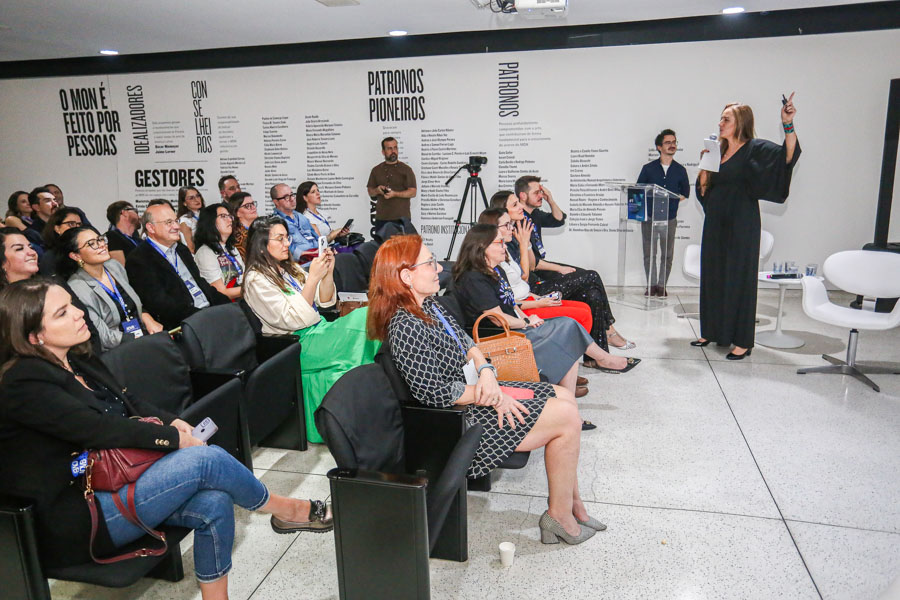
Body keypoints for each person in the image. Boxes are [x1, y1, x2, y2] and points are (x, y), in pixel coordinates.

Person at [0, 279, 333, 600]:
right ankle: (287, 509)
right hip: (80, 513)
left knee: (215, 502)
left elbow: (128, 400)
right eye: (62, 313)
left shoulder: (76, 357)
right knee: (205, 459)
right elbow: (96, 429)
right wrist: (174, 438)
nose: (78, 313)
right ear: (34, 336)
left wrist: (171, 421)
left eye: (72, 304)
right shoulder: (22, 382)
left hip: (119, 480)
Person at [367, 234, 603, 545]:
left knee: (566, 397)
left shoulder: (429, 305)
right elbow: (434, 393)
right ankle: (560, 515)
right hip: (458, 420)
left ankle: (574, 505)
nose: (438, 268)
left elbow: (466, 341)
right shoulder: (405, 325)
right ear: (406, 277)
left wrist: (487, 371)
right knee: (567, 418)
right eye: (429, 263)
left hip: (474, 394)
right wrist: (490, 395)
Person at [242, 216, 380, 443]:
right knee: (366, 317)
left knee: (370, 317)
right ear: (262, 244)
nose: (287, 243)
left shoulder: (288, 268)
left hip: (318, 330)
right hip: (297, 344)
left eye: (287, 237)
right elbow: (293, 319)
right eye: (280, 239)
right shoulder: (255, 280)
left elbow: (324, 302)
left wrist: (327, 274)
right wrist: (313, 278)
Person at [693, 97, 801, 359]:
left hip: (742, 224)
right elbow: (704, 189)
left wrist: (787, 124)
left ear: (740, 122)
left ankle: (742, 340)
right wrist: (705, 167)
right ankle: (712, 330)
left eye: (726, 119)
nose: (720, 123)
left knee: (738, 279)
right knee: (713, 275)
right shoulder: (718, 151)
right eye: (721, 118)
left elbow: (787, 155)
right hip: (715, 223)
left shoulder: (755, 148)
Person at [491, 190, 635, 358]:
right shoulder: (500, 242)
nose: (520, 206)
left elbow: (532, 264)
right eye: (515, 204)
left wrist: (527, 243)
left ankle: (596, 357)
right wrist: (524, 245)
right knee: (591, 276)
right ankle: (608, 329)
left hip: (531, 288)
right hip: (531, 292)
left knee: (593, 294)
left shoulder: (517, 230)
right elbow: (525, 275)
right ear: (502, 213)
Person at [477, 208, 593, 335]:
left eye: (511, 223)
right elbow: (522, 283)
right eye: (507, 225)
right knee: (584, 311)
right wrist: (535, 307)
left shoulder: (505, 252)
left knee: (586, 307)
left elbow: (519, 285)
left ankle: (594, 343)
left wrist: (540, 299)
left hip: (529, 299)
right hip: (525, 306)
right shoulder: (490, 264)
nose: (512, 227)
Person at [125, 203, 229, 330]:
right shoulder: (139, 259)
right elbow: (161, 306)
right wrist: (207, 317)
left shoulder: (181, 249)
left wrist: (228, 306)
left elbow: (201, 284)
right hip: (185, 325)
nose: (177, 226)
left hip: (207, 314)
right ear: (151, 228)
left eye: (176, 221)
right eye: (169, 222)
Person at [60, 226, 164, 351]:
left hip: (142, 335)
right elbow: (103, 336)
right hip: (117, 350)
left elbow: (132, 304)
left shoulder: (114, 266)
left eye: (100, 239)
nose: (101, 245)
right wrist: (140, 339)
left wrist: (147, 318)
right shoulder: (77, 288)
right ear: (76, 256)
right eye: (91, 243)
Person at [636, 129, 691, 297]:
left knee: (667, 255)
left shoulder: (680, 170)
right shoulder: (648, 169)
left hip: (669, 219)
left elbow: (685, 193)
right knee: (649, 255)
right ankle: (651, 286)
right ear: (659, 147)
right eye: (668, 142)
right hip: (650, 218)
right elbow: (638, 191)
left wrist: (672, 200)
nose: (672, 145)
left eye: (674, 142)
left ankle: (661, 286)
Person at [193, 203, 244, 301]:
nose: (230, 220)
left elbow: (243, 277)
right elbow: (221, 292)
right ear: (210, 222)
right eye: (223, 216)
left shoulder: (232, 248)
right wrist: (253, 289)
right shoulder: (205, 253)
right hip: (223, 305)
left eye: (230, 216)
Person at [366, 137, 417, 230]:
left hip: (402, 219)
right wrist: (377, 190)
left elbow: (413, 192)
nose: (393, 151)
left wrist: (395, 194)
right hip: (381, 219)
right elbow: (370, 191)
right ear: (383, 152)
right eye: (389, 148)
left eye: (395, 148)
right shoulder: (376, 170)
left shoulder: (406, 169)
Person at [270, 183, 317, 260]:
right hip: (301, 261)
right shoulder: (276, 223)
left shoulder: (301, 217)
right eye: (286, 197)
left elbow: (317, 237)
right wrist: (306, 254)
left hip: (317, 255)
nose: (292, 199)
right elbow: (284, 248)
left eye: (292, 195)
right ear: (276, 202)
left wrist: (324, 248)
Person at [38, 206, 83, 276]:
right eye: (71, 224)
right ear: (57, 228)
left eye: (79, 224)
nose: (77, 228)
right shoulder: (50, 257)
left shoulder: (84, 250)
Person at [105, 200, 142, 264]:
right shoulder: (112, 236)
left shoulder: (139, 241)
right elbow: (120, 268)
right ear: (124, 213)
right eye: (135, 211)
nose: (140, 217)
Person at [226, 191, 257, 260]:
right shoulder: (237, 237)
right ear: (237, 213)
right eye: (247, 206)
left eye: (253, 204)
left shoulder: (261, 227)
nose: (253, 207)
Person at [177, 186, 205, 253]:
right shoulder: (184, 220)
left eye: (198, 196)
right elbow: (190, 248)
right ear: (184, 203)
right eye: (191, 198)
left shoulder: (206, 214)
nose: (196, 200)